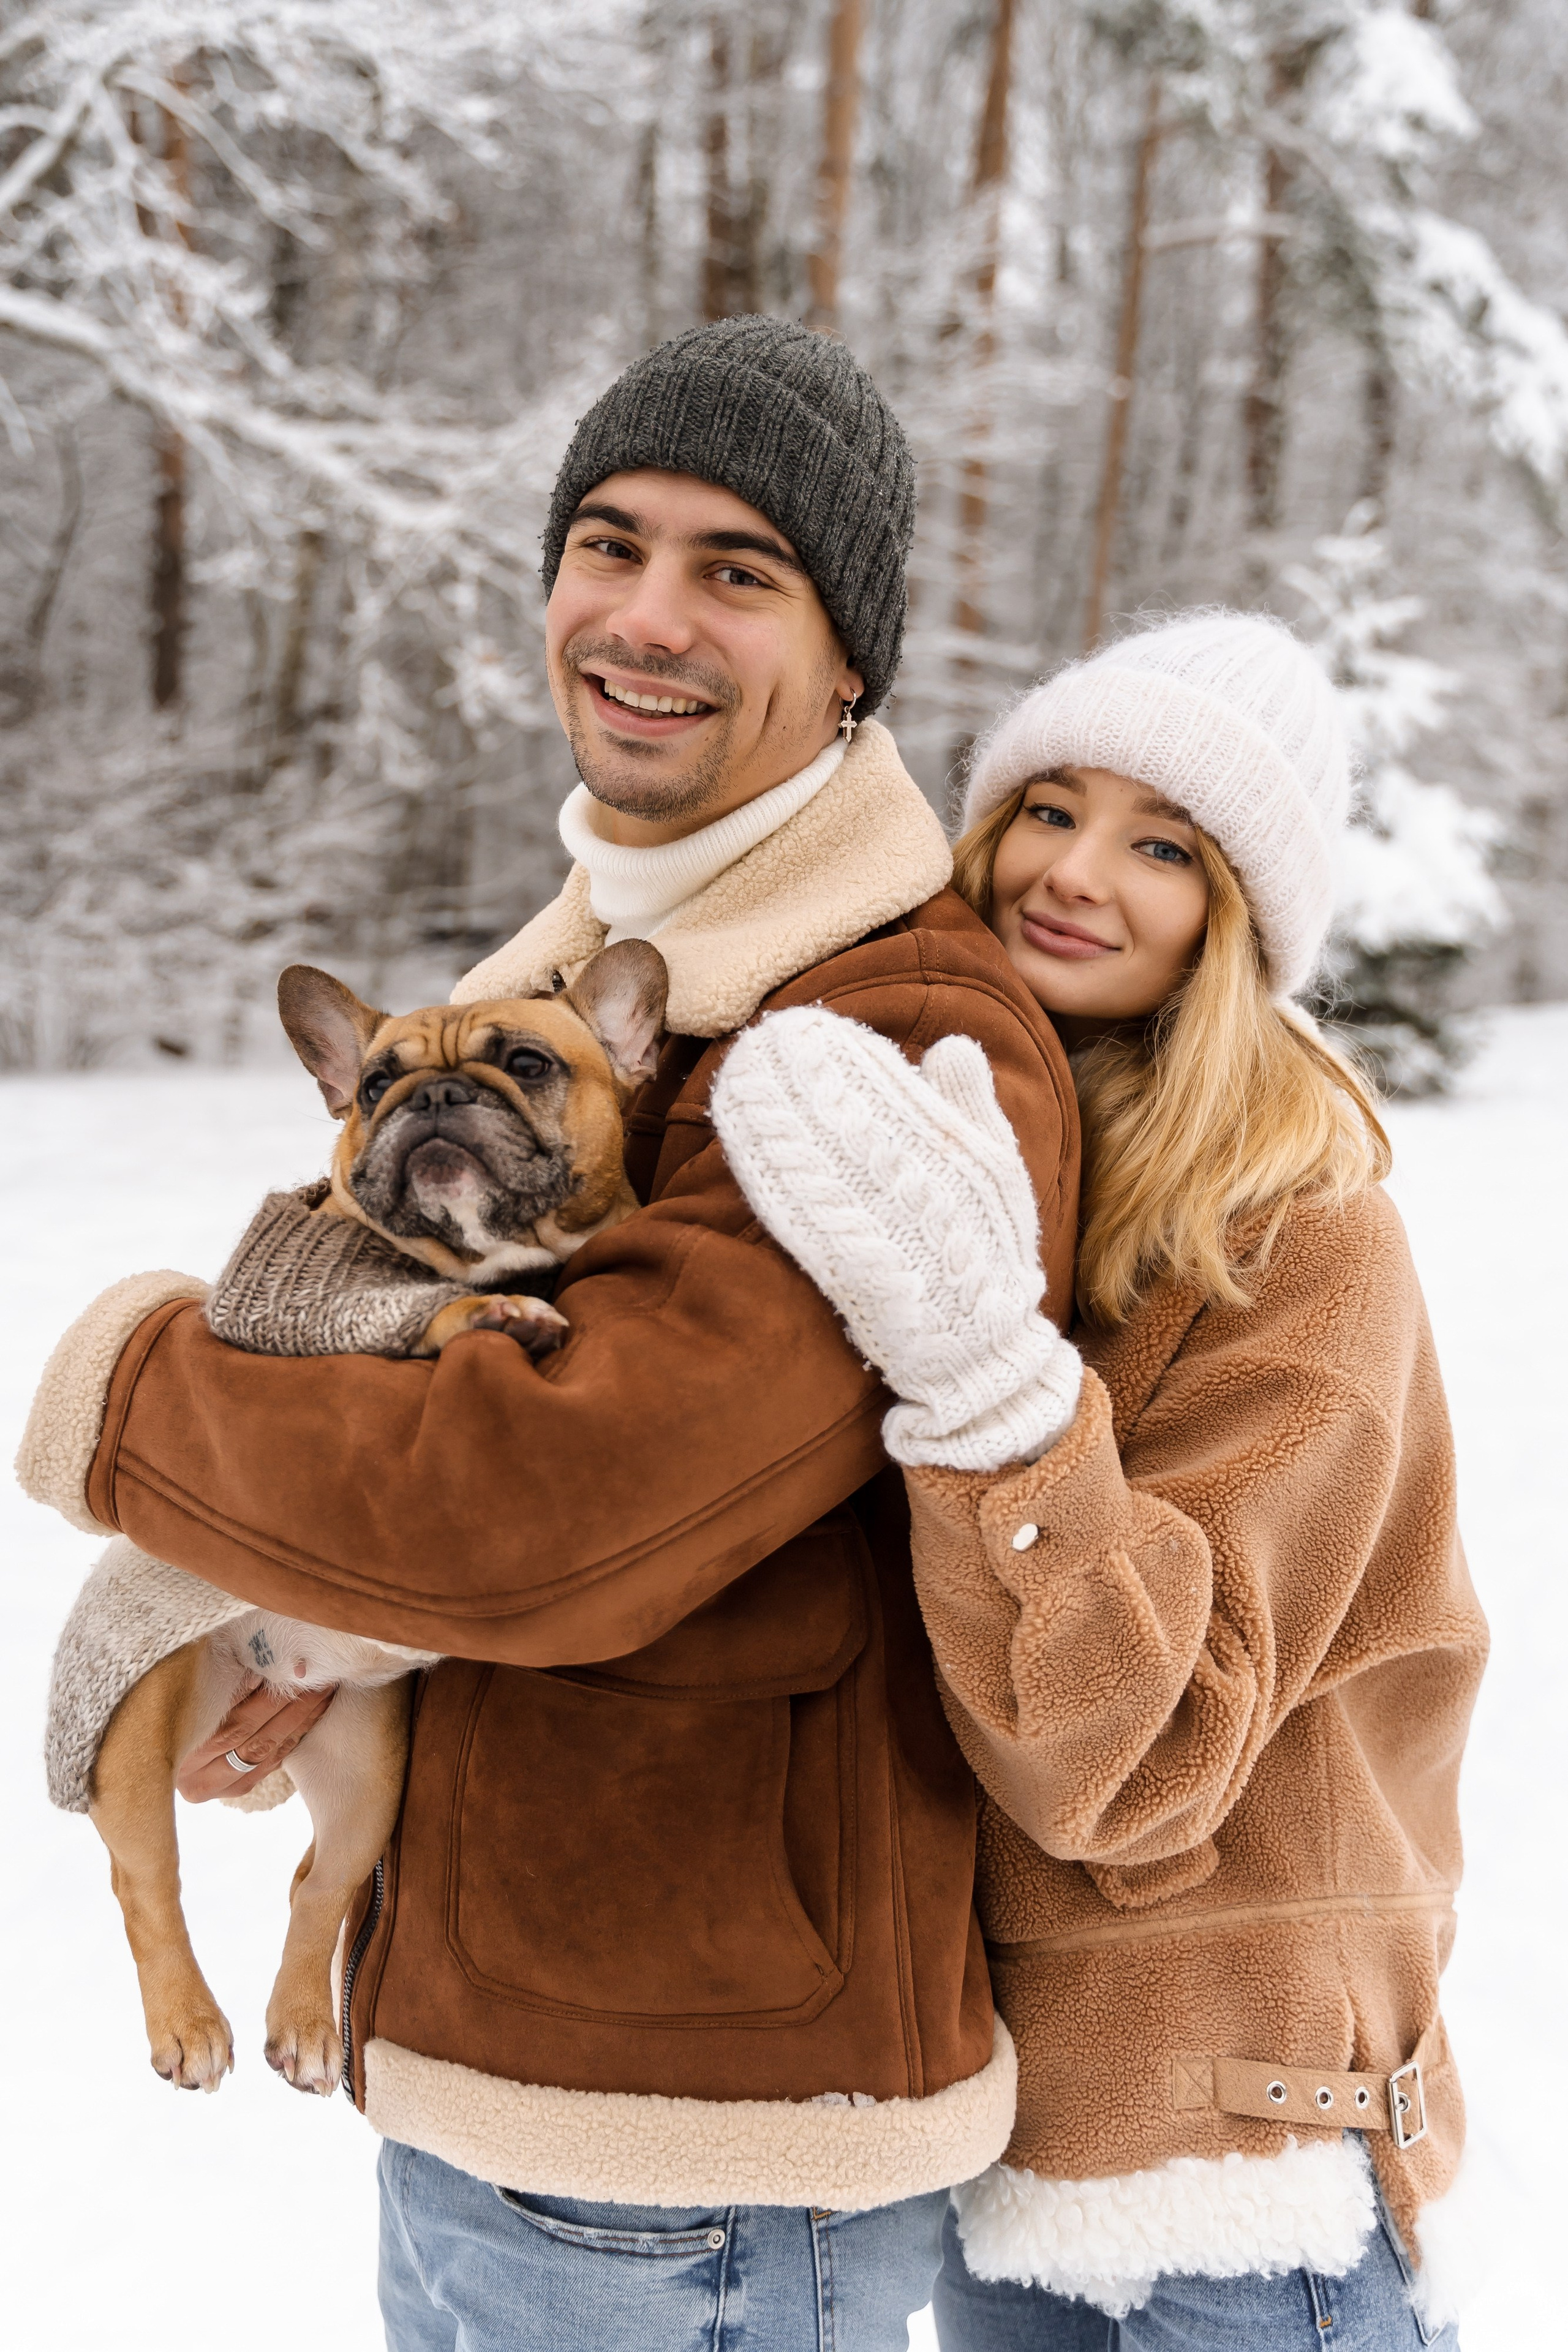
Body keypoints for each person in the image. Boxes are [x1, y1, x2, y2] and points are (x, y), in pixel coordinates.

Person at [21, 317, 1080, 2352]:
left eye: (738, 571)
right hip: (499, 2071)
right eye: (608, 545)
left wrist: (131, 1385)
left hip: (704, 2141)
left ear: (852, 663)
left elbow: (548, 1506)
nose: (648, 616)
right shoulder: (581, 971)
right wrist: (309, 1622)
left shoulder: (877, 1027)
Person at [711, 611, 1488, 2348]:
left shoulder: (1299, 1234)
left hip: (1244, 2147)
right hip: (994, 2141)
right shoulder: (966, 1146)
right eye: (1051, 809)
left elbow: (1138, 1765)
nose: (1074, 872)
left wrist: (994, 1388)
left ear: (1238, 920)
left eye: (1163, 847)